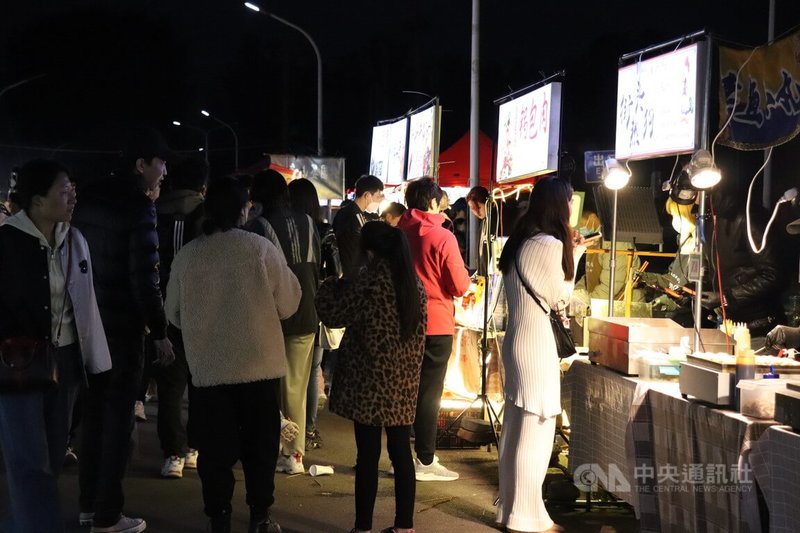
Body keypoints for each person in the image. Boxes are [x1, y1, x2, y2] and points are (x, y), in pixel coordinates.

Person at [165, 176, 300, 533]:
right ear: (244, 210)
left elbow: (173, 313)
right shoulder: (258, 248)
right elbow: (288, 302)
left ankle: (219, 517)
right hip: (259, 367)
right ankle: (260, 515)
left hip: (209, 369)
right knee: (261, 447)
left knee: (214, 452)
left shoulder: (189, 255)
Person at [71, 131, 175, 533]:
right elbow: (144, 277)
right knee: (117, 423)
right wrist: (159, 330)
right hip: (122, 329)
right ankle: (108, 515)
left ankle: (87, 506)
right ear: (141, 165)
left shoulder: (89, 200)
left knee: (92, 418)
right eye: (160, 162)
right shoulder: (138, 207)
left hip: (85, 324)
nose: (164, 171)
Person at [0, 159, 112, 532]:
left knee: (50, 455)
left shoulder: (74, 239)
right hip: (17, 362)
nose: (72, 196)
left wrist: (96, 363)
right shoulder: (6, 240)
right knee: (28, 460)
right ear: (35, 200)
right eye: (63, 190)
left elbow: (86, 303)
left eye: (72, 189)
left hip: (64, 361)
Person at [316, 221, 426, 533]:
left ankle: (363, 526)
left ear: (368, 251)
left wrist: (329, 282)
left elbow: (333, 312)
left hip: (368, 382)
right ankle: (404, 526)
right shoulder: (413, 285)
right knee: (401, 452)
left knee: (368, 455)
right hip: (402, 384)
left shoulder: (368, 282)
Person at [496, 176, 586, 533]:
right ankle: (526, 517)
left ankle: (511, 511)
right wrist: (575, 255)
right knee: (537, 427)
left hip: (517, 337)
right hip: (535, 343)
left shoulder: (521, 239)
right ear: (559, 205)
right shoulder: (549, 244)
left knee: (517, 427)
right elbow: (560, 298)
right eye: (568, 201)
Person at [245, 170, 320, 475]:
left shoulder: (258, 227)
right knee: (295, 387)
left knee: (268, 387)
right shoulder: (309, 222)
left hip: (270, 315)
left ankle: (283, 449)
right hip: (306, 313)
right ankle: (294, 453)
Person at [397, 177, 470, 481]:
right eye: (439, 200)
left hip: (402, 319)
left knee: (403, 389)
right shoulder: (442, 236)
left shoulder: (398, 232)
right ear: (431, 202)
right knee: (429, 393)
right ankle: (425, 460)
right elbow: (460, 284)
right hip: (436, 322)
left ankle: (400, 457)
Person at [153, 155, 209, 478]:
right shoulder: (206, 213)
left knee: (170, 386)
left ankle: (172, 453)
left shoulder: (155, 211)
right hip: (201, 310)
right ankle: (194, 448)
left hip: (165, 308)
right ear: (202, 185)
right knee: (199, 383)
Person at [288, 177, 343, 450]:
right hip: (317, 307)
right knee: (312, 370)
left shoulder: (288, 230)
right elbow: (337, 270)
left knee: (288, 371)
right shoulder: (323, 230)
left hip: (289, 305)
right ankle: (308, 429)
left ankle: (288, 427)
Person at [333, 174, 384, 278]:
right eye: (378, 197)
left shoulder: (350, 212)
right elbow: (351, 250)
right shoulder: (353, 215)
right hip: (352, 276)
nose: (379, 201)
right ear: (367, 195)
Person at [466, 185, 499, 276]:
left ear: (488, 203)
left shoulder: (497, 221)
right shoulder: (483, 222)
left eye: (479, 207)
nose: (477, 213)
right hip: (483, 275)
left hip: (493, 275)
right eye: (473, 209)